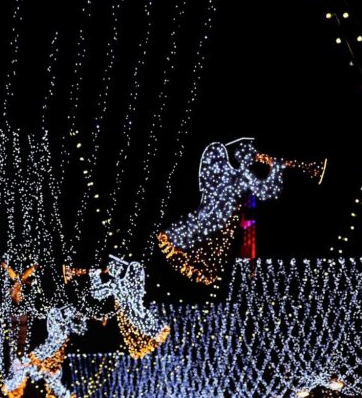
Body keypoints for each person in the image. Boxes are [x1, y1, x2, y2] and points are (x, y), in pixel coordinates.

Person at [158, 139, 325, 284]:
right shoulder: (240, 175)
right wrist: (277, 167)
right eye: (255, 156)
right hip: (214, 218)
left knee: (198, 242)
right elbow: (267, 191)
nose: (258, 159)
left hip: (215, 218)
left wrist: (276, 166)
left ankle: (182, 248)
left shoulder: (238, 174)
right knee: (193, 240)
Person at [90, 256, 169, 359]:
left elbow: (97, 293)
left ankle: (154, 330)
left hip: (134, 308)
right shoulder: (117, 285)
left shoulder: (127, 280)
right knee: (137, 315)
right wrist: (94, 275)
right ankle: (154, 330)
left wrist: (95, 275)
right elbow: (97, 293)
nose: (110, 271)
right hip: (135, 310)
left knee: (138, 314)